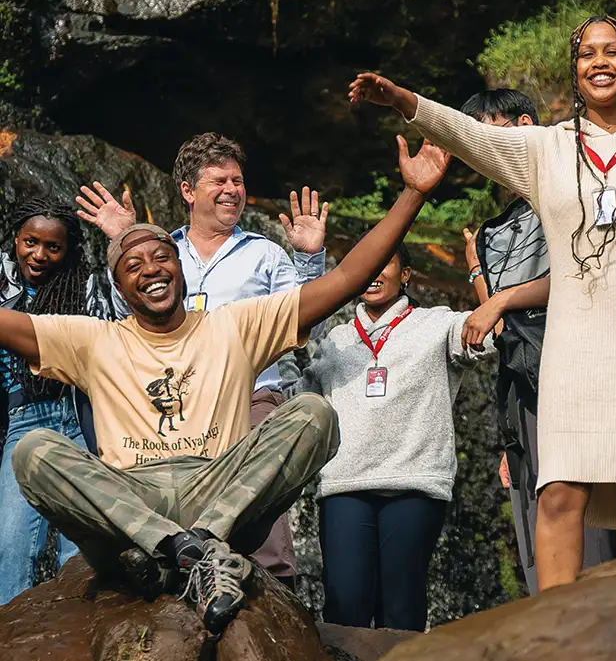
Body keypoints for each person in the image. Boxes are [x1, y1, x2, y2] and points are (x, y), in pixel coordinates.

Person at [349, 14, 616, 590]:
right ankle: (555, 638)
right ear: (575, 71)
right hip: (576, 345)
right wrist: (404, 101)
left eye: (612, 51)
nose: (600, 62)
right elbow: (473, 136)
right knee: (560, 491)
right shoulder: (546, 148)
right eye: (587, 54)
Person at [6, 135, 449, 632]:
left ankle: (191, 543)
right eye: (133, 265)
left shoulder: (234, 325)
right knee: (34, 450)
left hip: (217, 486)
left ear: (181, 267)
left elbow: (346, 279)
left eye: (161, 258)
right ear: (119, 287)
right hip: (128, 492)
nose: (151, 268)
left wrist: (413, 194)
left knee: (314, 415)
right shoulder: (93, 339)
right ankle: (180, 549)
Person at [77, 131, 329, 584]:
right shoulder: (159, 255)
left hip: (254, 400)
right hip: (169, 408)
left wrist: (309, 261)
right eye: (220, 180)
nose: (233, 189)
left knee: (265, 532)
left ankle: (275, 606)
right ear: (188, 191)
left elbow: (303, 326)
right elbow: (123, 327)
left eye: (238, 179)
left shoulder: (266, 255)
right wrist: (124, 241)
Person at [459, 88, 616, 594]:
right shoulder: (492, 230)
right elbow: (497, 334)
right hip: (522, 388)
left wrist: (501, 299)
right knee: (531, 519)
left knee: (581, 519)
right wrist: (478, 276)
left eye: (492, 131)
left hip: (577, 372)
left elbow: (583, 274)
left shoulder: (576, 192)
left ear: (526, 125)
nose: (485, 148)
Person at [299, 239, 495, 630]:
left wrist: (478, 275)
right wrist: (307, 261)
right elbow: (293, 372)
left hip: (414, 483)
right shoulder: (332, 340)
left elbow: (490, 334)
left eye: (385, 263)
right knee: (344, 609)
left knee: (401, 610)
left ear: (405, 275)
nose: (373, 273)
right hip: (346, 484)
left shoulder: (437, 325)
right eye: (365, 263)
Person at [0, 199, 116, 604]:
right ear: (16, 237)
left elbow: (113, 340)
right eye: (31, 242)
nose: (39, 255)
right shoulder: (0, 283)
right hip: (23, 420)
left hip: (81, 419)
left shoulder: (83, 285)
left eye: (53, 247)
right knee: (10, 541)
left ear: (68, 251)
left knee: (80, 548)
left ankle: (82, 634)